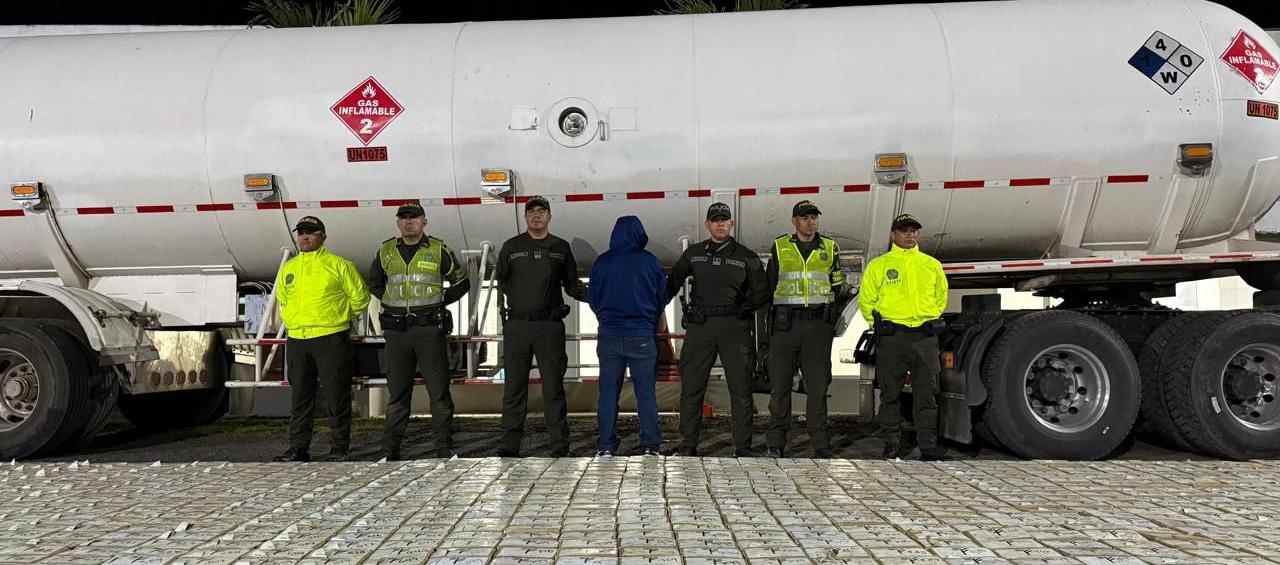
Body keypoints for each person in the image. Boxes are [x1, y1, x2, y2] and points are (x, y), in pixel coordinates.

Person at [366, 203, 471, 460]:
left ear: (424, 221)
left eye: (414, 217)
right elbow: (375, 284)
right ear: (397, 222)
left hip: (428, 330)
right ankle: (389, 451)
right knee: (398, 394)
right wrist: (392, 303)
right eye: (404, 218)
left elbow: (461, 282)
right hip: (397, 332)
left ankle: (444, 449)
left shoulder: (438, 249)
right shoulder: (386, 251)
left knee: (439, 392)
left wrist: (438, 302)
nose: (409, 222)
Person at [666, 203, 769, 457]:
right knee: (691, 389)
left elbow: (763, 293)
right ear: (707, 225)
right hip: (701, 327)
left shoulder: (747, 256)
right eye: (715, 220)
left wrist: (743, 308)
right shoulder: (694, 254)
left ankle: (743, 449)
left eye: (724, 220)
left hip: (735, 328)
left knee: (741, 389)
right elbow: (670, 284)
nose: (720, 224)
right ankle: (688, 446)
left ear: (731, 224)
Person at [494, 196, 588, 457]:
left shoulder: (560, 247)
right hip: (518, 327)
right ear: (525, 218)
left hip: (549, 327)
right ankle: (508, 446)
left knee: (553, 389)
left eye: (542, 211)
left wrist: (598, 297)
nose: (536, 216)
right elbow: (502, 281)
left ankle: (559, 446)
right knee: (513, 389)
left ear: (549, 217)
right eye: (531, 212)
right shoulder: (511, 247)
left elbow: (572, 284)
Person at [272, 216, 370, 462]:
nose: (305, 237)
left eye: (311, 232)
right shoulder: (289, 268)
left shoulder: (339, 265)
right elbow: (283, 298)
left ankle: (339, 449)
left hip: (331, 338)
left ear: (323, 237)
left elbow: (360, 297)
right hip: (298, 339)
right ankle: (298, 449)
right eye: (301, 233)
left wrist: (340, 318)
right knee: (300, 398)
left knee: (337, 396)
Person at [860, 213, 949, 461]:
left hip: (924, 337)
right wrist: (879, 326)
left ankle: (928, 445)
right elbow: (866, 301)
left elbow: (940, 298)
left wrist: (926, 317)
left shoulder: (931, 265)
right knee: (890, 395)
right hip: (892, 337)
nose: (909, 235)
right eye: (904, 231)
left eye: (913, 231)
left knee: (927, 394)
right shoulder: (879, 265)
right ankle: (891, 444)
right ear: (893, 235)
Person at [764, 200, 848, 458]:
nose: (811, 222)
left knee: (818, 387)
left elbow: (838, 285)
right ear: (794, 221)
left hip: (817, 327)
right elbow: (769, 288)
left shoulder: (830, 248)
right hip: (786, 326)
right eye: (805, 218)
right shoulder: (780, 247)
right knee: (779, 388)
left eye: (814, 217)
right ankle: (776, 444)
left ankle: (820, 445)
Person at [588, 215, 667, 457]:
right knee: (645, 393)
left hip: (609, 336)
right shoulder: (650, 262)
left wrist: (606, 318)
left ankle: (605, 445)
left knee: (608, 393)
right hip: (642, 335)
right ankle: (650, 445)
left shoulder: (601, 262)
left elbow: (593, 298)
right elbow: (661, 298)